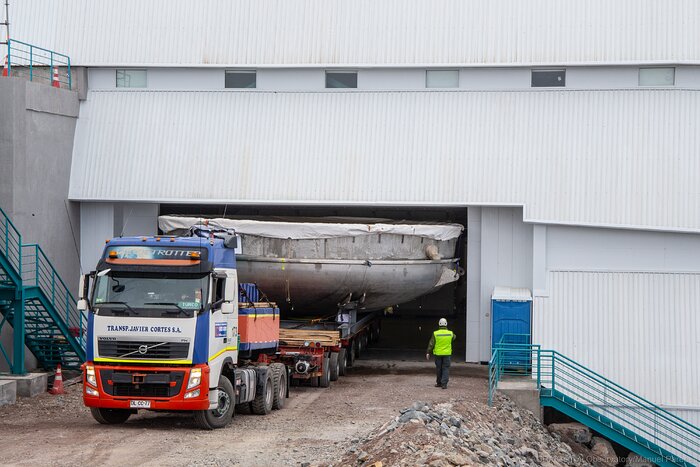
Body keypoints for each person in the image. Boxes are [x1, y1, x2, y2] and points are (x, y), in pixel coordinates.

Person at [426, 318, 456, 389]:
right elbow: (454, 337)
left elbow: (431, 343)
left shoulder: (435, 333)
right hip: (447, 354)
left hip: (438, 354)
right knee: (445, 368)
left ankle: (439, 383)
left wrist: (428, 352)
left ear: (439, 324)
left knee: (439, 368)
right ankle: (444, 384)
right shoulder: (450, 333)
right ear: (446, 324)